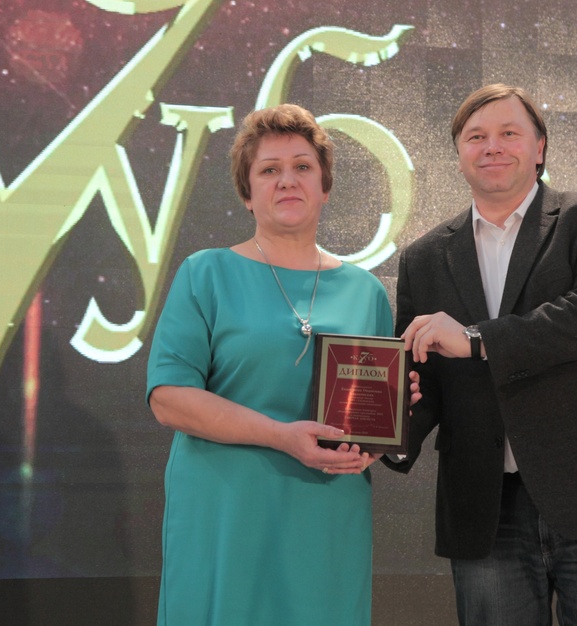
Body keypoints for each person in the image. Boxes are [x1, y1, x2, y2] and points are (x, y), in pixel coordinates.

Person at [387, 84, 577, 625]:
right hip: (485, 508)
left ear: (540, 147)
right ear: (459, 153)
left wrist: (477, 340)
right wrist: (380, 431)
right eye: (476, 136)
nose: (492, 146)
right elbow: (421, 377)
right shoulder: (424, 257)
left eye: (509, 133)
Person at [146, 103, 414, 625]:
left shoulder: (365, 292)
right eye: (269, 169)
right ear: (247, 193)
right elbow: (168, 399)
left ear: (325, 187)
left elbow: (370, 419)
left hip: (325, 514)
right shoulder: (206, 273)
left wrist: (386, 429)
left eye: (302, 167)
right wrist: (280, 436)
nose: (287, 180)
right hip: (225, 514)